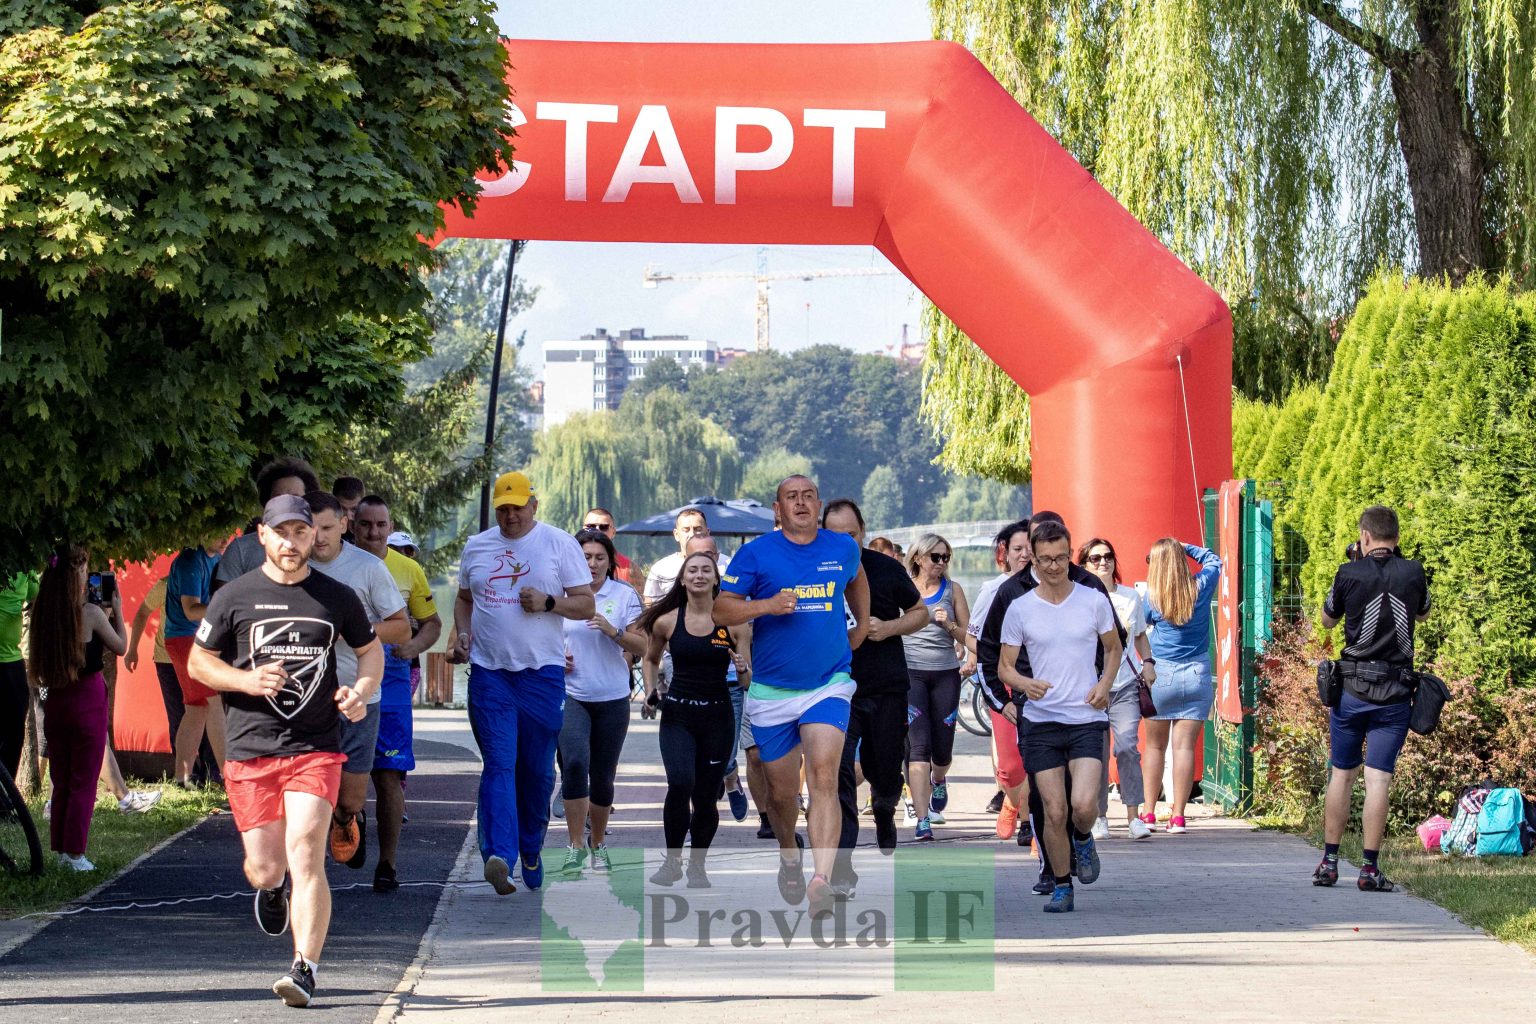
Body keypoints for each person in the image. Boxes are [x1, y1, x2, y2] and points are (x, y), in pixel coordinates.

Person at [188, 494, 382, 1007]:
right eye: (281, 533)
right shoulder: (234, 596)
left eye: (301, 532)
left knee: (307, 853)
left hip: (315, 747)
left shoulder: (336, 597)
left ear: (313, 535)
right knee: (267, 867)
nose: (291, 543)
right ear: (262, 536)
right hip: (250, 749)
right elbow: (199, 663)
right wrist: (246, 681)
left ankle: (304, 969)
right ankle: (271, 889)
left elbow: (370, 651)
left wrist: (361, 691)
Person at [715, 475, 869, 918]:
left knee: (823, 778)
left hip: (828, 683)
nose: (800, 503)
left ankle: (822, 878)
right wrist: (766, 605)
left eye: (808, 496)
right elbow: (722, 608)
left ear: (818, 505)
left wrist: (861, 625)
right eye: (791, 497)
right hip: (772, 691)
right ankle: (788, 851)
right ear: (777, 508)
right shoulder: (756, 553)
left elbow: (856, 579)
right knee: (782, 795)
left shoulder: (842, 548)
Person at [449, 471, 595, 895]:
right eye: (503, 509)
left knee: (535, 771)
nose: (510, 516)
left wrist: (549, 602)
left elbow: (586, 604)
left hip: (542, 675)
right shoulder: (477, 546)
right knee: (498, 762)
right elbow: (464, 599)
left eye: (517, 507)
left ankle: (530, 847)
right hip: (490, 674)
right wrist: (463, 633)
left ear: (534, 504)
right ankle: (499, 856)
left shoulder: (558, 544)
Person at [979, 510, 1124, 895]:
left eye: (1060, 557)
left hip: (1085, 713)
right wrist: (1012, 695)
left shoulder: (1091, 591)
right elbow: (994, 658)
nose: (1053, 566)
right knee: (1050, 806)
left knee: (1083, 805)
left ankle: (1082, 839)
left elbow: (1116, 645)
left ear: (1069, 552)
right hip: (1038, 716)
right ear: (1033, 554)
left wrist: (1104, 684)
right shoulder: (1014, 598)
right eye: (1044, 558)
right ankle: (1056, 879)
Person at [1315, 505, 1430, 892]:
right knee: (1378, 778)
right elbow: (1423, 614)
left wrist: (1355, 567)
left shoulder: (1348, 572)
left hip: (1351, 691)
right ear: (1396, 538)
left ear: (1364, 536)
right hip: (1394, 694)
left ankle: (1329, 863)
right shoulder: (1413, 571)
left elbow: (1327, 619)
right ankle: (1368, 869)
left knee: (1342, 774)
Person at [822, 499, 928, 894]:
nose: (843, 542)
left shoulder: (884, 567)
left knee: (883, 768)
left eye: (850, 535)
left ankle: (884, 806)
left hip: (886, 686)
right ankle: (842, 867)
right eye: (834, 535)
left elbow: (921, 612)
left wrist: (890, 628)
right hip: (835, 688)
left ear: (863, 532)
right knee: (837, 776)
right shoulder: (814, 570)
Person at [304, 491, 409, 874]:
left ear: (343, 525)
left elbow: (401, 628)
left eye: (327, 528)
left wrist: (352, 629)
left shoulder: (367, 568)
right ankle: (300, 873)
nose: (318, 538)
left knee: (349, 799)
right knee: (308, 794)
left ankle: (348, 817)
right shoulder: (290, 568)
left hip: (359, 696)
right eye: (310, 529)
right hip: (304, 700)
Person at [639, 551, 749, 888]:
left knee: (704, 796)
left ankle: (697, 866)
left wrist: (742, 668)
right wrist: (650, 691)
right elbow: (650, 659)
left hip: (717, 717)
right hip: (678, 716)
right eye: (692, 571)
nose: (699, 575)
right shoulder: (667, 621)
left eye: (705, 570)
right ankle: (672, 862)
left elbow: (747, 681)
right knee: (680, 783)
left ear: (716, 579)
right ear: (683, 579)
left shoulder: (734, 623)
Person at [353, 496, 441, 893]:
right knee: (341, 771)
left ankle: (387, 864)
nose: (374, 532)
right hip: (344, 679)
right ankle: (351, 817)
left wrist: (413, 646)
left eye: (381, 525)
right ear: (352, 526)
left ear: (390, 528)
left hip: (391, 681)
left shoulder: (409, 569)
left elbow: (431, 623)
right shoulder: (336, 564)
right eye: (366, 524)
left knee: (389, 774)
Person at [27, 546, 127, 870]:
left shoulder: (44, 614)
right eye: (84, 571)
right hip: (87, 699)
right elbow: (120, 646)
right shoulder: (91, 613)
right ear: (75, 577)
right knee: (84, 779)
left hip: (56, 699)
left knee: (61, 778)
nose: (87, 576)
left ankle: (60, 850)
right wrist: (117, 611)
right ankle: (75, 854)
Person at [558, 529, 645, 876]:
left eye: (599, 558)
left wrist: (614, 632)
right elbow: (540, 636)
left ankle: (597, 842)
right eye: (585, 558)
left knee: (603, 775)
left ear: (610, 563)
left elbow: (643, 646)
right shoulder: (561, 594)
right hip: (570, 694)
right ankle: (575, 845)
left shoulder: (624, 595)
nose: (591, 564)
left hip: (612, 696)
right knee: (574, 763)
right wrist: (555, 657)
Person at [1140, 537, 1222, 835]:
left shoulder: (1152, 597)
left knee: (1154, 747)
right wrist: (1184, 546)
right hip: (1197, 673)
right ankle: (1177, 816)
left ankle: (1149, 813)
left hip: (1161, 674)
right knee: (1184, 747)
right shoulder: (1200, 587)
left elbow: (1140, 626)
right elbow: (1214, 561)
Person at [1077, 538, 1155, 840]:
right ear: (1084, 565)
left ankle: (1134, 816)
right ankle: (1099, 817)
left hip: (1124, 685)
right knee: (1095, 753)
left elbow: (1139, 635)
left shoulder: (1130, 597)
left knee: (1127, 748)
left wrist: (1148, 662)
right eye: (1095, 558)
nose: (1103, 562)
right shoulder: (1079, 598)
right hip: (1091, 687)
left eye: (1108, 556)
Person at [901, 533, 973, 841]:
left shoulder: (953, 590)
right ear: (918, 557)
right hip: (910, 675)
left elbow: (969, 637)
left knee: (942, 751)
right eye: (936, 557)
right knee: (919, 746)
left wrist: (949, 625)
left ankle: (939, 778)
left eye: (946, 557)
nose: (942, 562)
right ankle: (922, 819)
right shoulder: (904, 588)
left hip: (945, 674)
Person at [967, 520, 1032, 842]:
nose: (1024, 555)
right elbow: (973, 638)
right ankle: (1011, 799)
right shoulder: (994, 590)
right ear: (1005, 553)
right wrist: (996, 660)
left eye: (1030, 548)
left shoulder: (1050, 588)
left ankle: (1030, 824)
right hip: (1003, 683)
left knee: (1040, 757)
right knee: (1010, 766)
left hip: (1040, 684)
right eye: (1017, 549)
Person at [126, 575, 221, 786]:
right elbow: (142, 612)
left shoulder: (211, 583)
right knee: (180, 716)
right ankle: (187, 776)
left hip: (200, 658)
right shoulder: (166, 585)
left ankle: (211, 773)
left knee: (206, 712)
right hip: (168, 660)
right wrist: (132, 650)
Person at [684, 533, 752, 822]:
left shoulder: (732, 599)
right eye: (695, 558)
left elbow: (747, 673)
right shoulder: (676, 606)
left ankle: (731, 780)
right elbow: (654, 647)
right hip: (689, 689)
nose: (702, 565)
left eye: (709, 556)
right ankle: (698, 820)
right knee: (692, 759)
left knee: (723, 755)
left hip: (729, 688)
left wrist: (741, 667)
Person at [165, 535, 228, 787]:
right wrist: (228, 607)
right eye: (220, 532)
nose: (226, 538)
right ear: (204, 532)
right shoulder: (191, 560)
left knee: (197, 708)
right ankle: (230, 778)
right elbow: (191, 610)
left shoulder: (215, 558)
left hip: (188, 638)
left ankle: (182, 778)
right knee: (215, 701)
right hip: (186, 638)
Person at [214, 458, 321, 594]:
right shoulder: (241, 550)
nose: (287, 503)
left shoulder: (323, 547)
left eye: (295, 497)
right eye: (279, 497)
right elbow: (226, 600)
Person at [1, 569, 40, 781]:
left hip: (11, 661)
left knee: (14, 733)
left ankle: (6, 793)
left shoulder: (23, 566)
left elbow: (36, 594)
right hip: (9, 662)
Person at [643, 507, 727, 604]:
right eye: (686, 530)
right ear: (676, 534)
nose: (692, 534)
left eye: (698, 529)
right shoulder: (661, 568)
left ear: (708, 532)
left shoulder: (729, 565)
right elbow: (650, 605)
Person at [581, 508, 633, 584]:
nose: (597, 531)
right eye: (590, 526)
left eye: (604, 527)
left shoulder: (629, 568)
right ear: (583, 529)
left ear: (613, 532)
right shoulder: (567, 562)